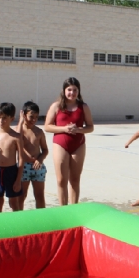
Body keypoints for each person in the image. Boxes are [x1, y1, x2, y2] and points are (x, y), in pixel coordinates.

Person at [44, 77, 94, 205]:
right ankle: (63, 208)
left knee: (75, 179)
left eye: (75, 90)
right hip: (60, 144)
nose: (72, 93)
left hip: (78, 145)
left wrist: (78, 130)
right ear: (64, 90)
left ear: (79, 91)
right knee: (61, 180)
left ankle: (74, 208)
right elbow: (47, 126)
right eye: (69, 90)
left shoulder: (83, 107)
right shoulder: (56, 106)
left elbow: (90, 127)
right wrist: (64, 129)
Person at [0, 102, 23, 212]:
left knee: (13, 202)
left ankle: (17, 225)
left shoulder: (16, 137)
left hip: (11, 172)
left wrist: (18, 180)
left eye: (5, 118)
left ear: (12, 118)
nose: (1, 121)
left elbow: (21, 159)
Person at [18, 101, 49, 211]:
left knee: (40, 196)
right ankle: (19, 218)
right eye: (31, 117)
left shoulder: (39, 132)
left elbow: (45, 150)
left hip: (37, 167)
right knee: (21, 196)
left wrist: (40, 159)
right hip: (23, 167)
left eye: (36, 117)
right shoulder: (20, 130)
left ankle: (41, 219)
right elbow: (17, 142)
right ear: (24, 115)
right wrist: (20, 121)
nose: (34, 120)